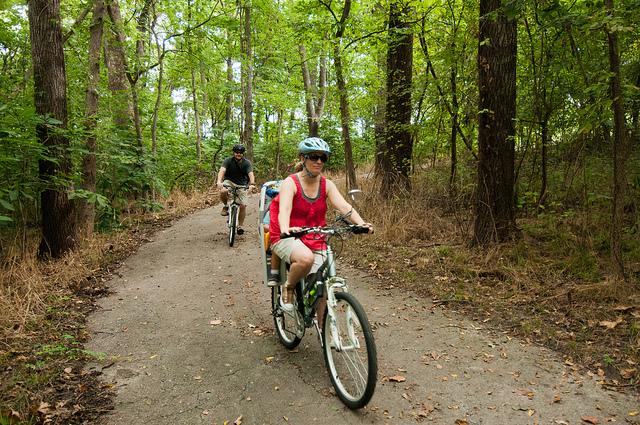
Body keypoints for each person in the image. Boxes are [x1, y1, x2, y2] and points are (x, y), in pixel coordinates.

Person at [269, 137, 373, 319]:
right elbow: (284, 209)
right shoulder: (291, 182)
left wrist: (361, 224)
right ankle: (289, 288)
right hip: (287, 235)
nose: (319, 161)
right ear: (303, 158)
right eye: (314, 156)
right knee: (305, 259)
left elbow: (344, 206)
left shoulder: (327, 184)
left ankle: (326, 334)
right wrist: (286, 228)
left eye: (323, 158)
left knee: (322, 287)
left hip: (315, 236)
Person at [216, 143, 256, 235]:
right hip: (229, 181)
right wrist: (219, 181)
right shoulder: (228, 161)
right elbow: (222, 170)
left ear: (243, 154)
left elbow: (250, 174)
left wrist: (252, 184)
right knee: (223, 190)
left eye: (241, 152)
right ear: (234, 153)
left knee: (242, 205)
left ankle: (240, 226)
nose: (239, 154)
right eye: (237, 152)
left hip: (242, 184)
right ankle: (226, 206)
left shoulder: (246, 163)